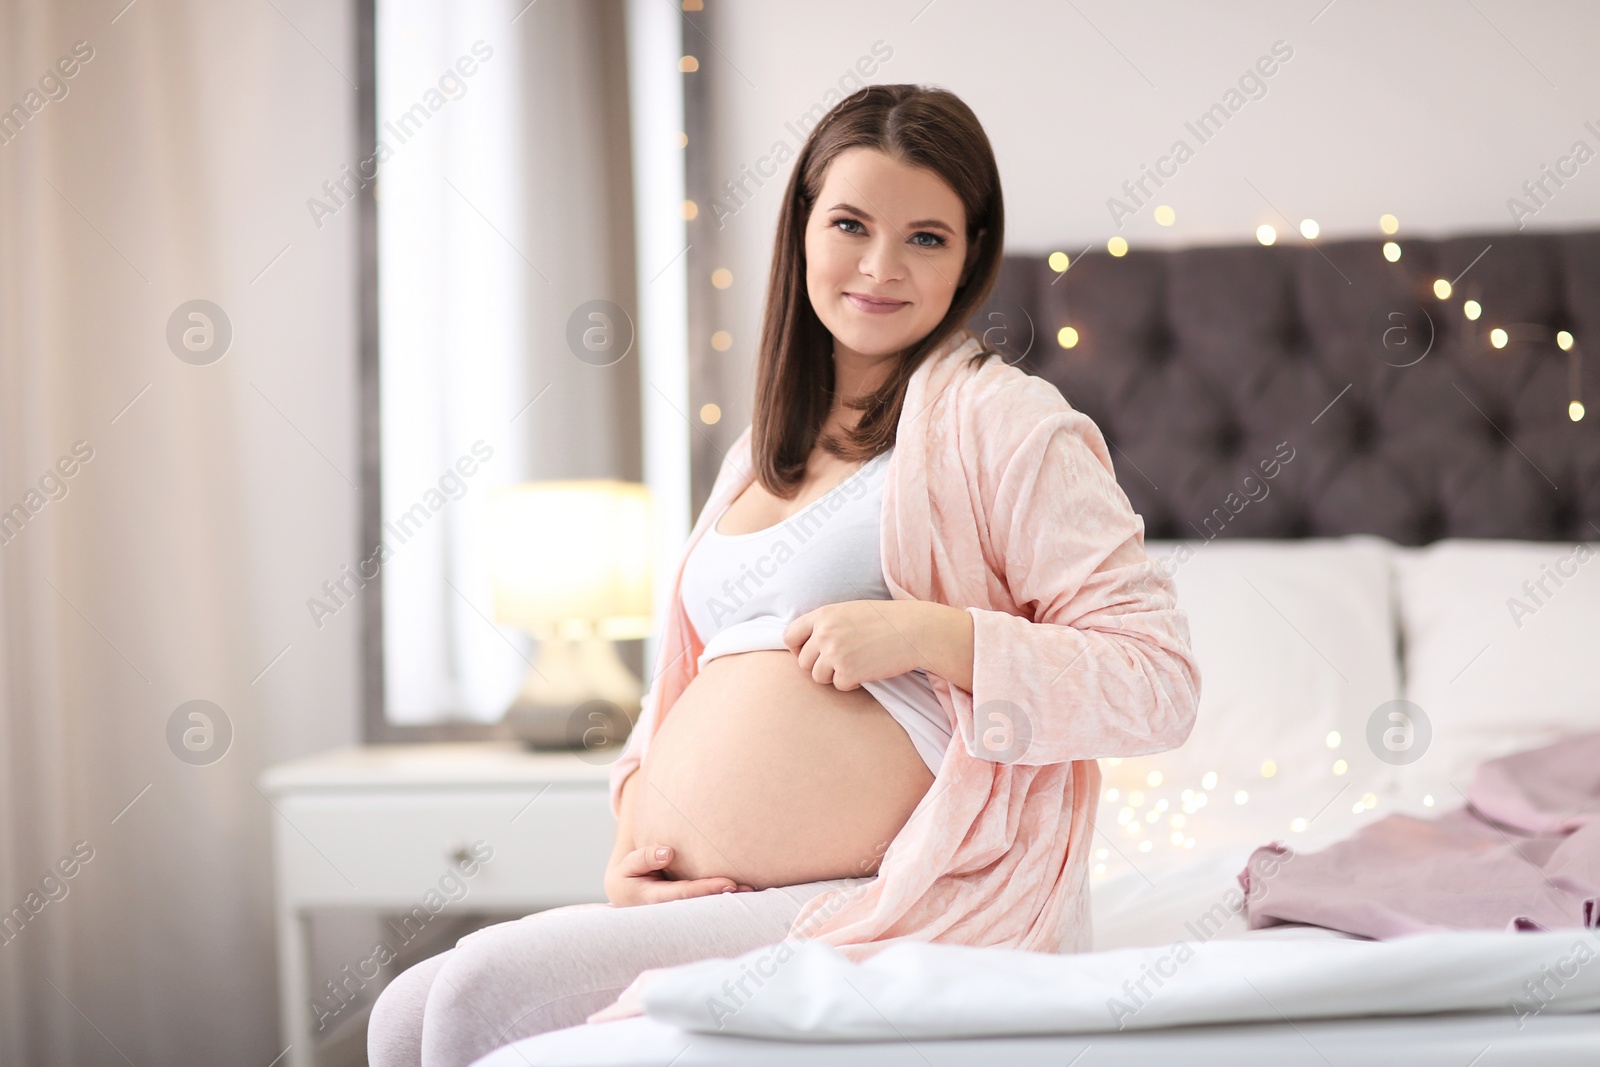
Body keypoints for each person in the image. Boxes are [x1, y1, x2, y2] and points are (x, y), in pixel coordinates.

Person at [369, 82, 1200, 1067]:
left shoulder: (1007, 424)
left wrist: (931, 633)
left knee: (468, 990)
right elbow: (683, 684)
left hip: (900, 891)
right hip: (724, 894)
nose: (880, 267)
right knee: (402, 1008)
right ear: (801, 226)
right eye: (850, 223)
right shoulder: (760, 450)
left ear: (971, 254)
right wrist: (631, 845)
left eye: (926, 237)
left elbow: (1159, 683)